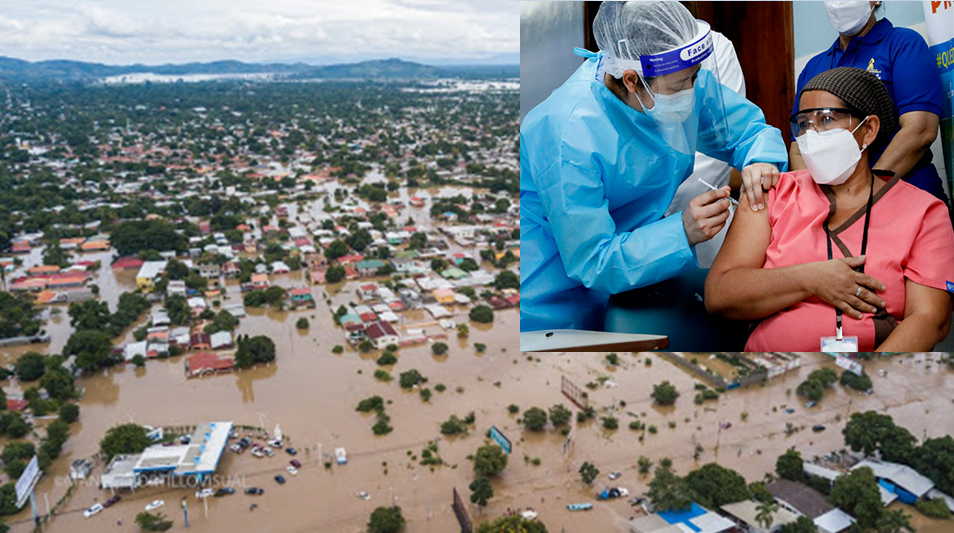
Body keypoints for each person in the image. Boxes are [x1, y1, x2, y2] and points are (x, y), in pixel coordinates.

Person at [520, 1, 788, 332]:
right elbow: (593, 260)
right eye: (679, 86)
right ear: (631, 80)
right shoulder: (567, 133)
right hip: (554, 287)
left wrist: (760, 159)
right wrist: (683, 231)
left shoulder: (677, 78)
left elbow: (748, 131)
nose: (693, 92)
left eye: (694, 78)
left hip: (641, 270)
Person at [706, 67, 954, 352]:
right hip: (770, 378)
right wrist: (810, 279)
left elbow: (930, 319)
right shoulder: (770, 193)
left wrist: (865, 383)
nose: (810, 135)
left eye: (825, 120)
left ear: (868, 131)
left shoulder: (924, 212)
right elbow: (720, 294)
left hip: (874, 382)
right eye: (803, 123)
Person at [786, 1, 949, 209]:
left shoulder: (903, 44)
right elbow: (799, 147)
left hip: (906, 200)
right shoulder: (814, 68)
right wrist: (821, 203)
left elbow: (920, 130)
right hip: (835, 211)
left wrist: (863, 195)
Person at [665, 30, 746, 269]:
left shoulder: (713, 45)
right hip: (634, 236)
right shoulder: (616, 62)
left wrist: (668, 210)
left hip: (703, 217)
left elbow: (729, 133)